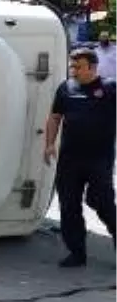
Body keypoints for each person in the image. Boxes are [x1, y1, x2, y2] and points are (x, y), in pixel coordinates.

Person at [44, 48, 117, 267]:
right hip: (70, 159)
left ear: (93, 67)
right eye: (71, 66)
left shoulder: (110, 87)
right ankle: (76, 252)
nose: (73, 71)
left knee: (102, 203)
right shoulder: (66, 88)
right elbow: (55, 117)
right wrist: (48, 144)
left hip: (99, 159)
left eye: (78, 66)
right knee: (68, 206)